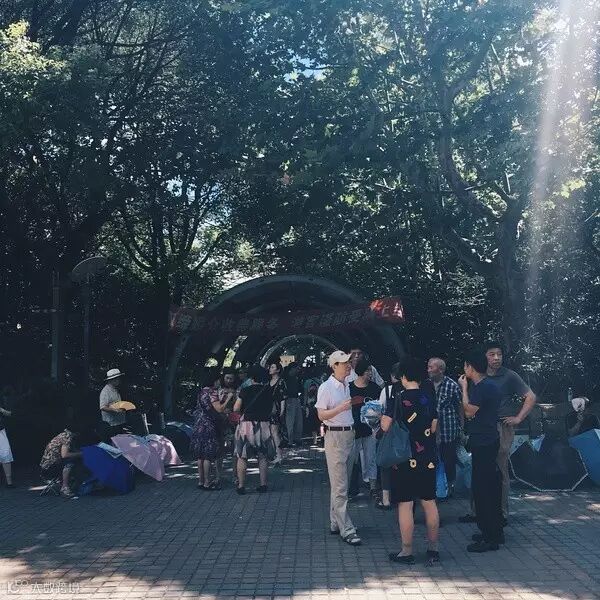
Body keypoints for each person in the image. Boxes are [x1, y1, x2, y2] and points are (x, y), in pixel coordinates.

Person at [381, 358, 440, 564]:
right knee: (429, 502)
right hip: (427, 457)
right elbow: (434, 426)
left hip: (403, 458)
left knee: (405, 504)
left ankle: (406, 551)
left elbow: (386, 426)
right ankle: (433, 549)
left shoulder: (397, 398)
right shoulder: (428, 396)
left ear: (404, 376)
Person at [485, 341, 536, 521]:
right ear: (485, 357)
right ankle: (478, 511)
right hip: (483, 427)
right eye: (492, 354)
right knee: (480, 468)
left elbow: (530, 396)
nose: (496, 358)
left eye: (499, 354)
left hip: (502, 426)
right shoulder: (478, 374)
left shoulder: (509, 376)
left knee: (500, 467)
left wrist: (518, 418)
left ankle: (502, 512)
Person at [459, 348, 504, 552]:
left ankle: (489, 536)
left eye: (465, 366)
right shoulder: (490, 386)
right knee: (491, 486)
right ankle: (495, 530)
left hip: (483, 442)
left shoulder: (481, 388)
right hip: (490, 439)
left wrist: (464, 388)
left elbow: (469, 412)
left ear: (470, 367)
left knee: (482, 489)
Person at [316, 350, 361, 546]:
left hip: (349, 434)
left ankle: (336, 522)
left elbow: (361, 372)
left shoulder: (347, 383)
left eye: (348, 362)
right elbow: (321, 415)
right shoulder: (326, 388)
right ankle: (347, 528)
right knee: (340, 485)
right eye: (343, 363)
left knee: (342, 483)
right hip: (335, 436)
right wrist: (340, 408)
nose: (348, 365)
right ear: (334, 366)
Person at [233, 364, 276, 494]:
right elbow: (273, 410)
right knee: (263, 456)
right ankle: (263, 485)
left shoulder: (245, 390)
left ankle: (241, 486)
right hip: (263, 425)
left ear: (251, 378)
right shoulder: (268, 391)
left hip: (247, 425)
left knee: (242, 456)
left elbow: (236, 408)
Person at [427, 357, 463, 497]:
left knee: (449, 460)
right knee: (431, 459)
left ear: (440, 370)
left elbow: (459, 407)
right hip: (430, 429)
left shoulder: (452, 385)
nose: (428, 370)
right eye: (428, 367)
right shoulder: (426, 385)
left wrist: (461, 428)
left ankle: (450, 487)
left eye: (431, 367)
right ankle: (434, 486)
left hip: (448, 429)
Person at [190, 369, 229, 490]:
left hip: (198, 424)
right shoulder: (212, 392)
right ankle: (207, 482)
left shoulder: (201, 391)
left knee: (200, 456)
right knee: (207, 455)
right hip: (209, 425)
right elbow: (219, 409)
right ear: (215, 380)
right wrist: (227, 399)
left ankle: (200, 481)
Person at [348, 357, 381, 497]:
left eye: (371, 370)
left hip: (370, 429)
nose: (370, 373)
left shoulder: (375, 388)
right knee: (353, 458)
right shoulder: (349, 388)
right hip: (353, 428)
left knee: (371, 458)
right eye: (368, 370)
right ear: (360, 371)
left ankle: (373, 487)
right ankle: (352, 486)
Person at [40, 425, 83, 498]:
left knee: (71, 460)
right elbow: (64, 455)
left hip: (46, 466)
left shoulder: (63, 434)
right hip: (50, 468)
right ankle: (64, 488)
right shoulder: (67, 437)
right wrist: (80, 454)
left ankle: (67, 483)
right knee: (70, 463)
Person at [267, 361, 287, 464]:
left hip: (276, 409)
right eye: (270, 367)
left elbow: (283, 397)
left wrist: (282, 410)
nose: (270, 369)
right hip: (268, 409)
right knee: (271, 432)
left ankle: (279, 455)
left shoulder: (281, 382)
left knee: (275, 432)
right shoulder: (268, 382)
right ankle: (276, 453)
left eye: (273, 367)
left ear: (278, 370)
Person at [99, 368, 127, 436]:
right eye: (117, 378)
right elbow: (102, 407)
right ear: (111, 380)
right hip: (111, 424)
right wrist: (115, 410)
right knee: (114, 440)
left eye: (119, 378)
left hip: (119, 422)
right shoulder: (105, 391)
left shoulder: (115, 389)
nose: (119, 380)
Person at [284, 363, 304, 447]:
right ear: (292, 368)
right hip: (289, 399)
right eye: (296, 368)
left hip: (296, 399)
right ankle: (290, 440)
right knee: (290, 421)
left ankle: (297, 438)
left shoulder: (296, 378)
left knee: (298, 420)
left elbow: (300, 388)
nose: (298, 370)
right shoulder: (285, 378)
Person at [0, 400, 14, 488]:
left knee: (5, 455)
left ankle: (9, 482)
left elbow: (10, 413)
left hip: (0, 431)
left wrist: (1, 410)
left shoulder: (2, 400)